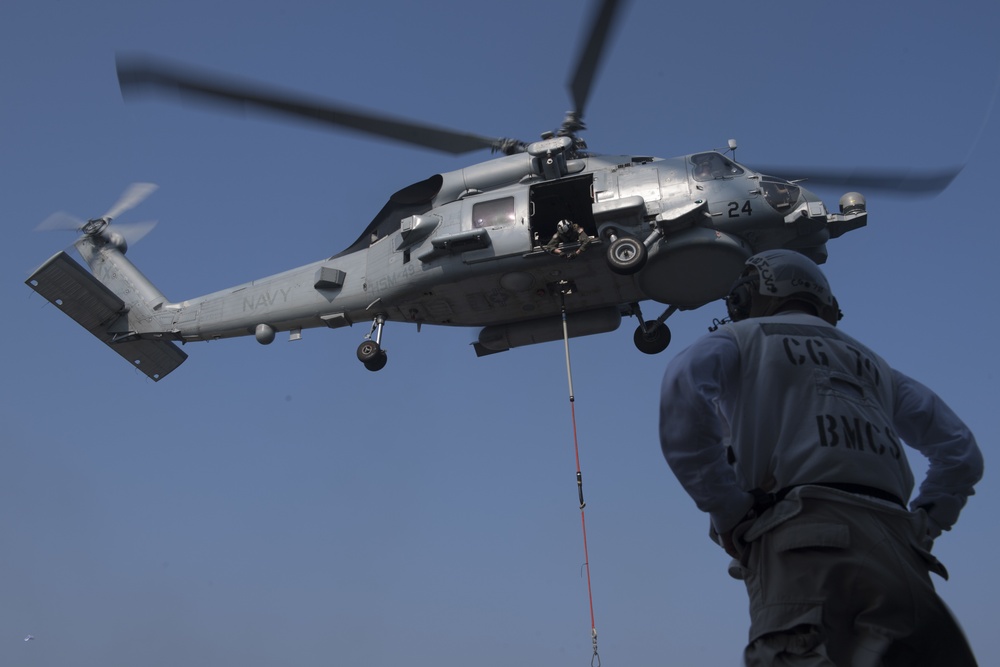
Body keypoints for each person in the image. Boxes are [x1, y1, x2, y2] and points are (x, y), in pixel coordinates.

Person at [658, 249, 983, 666]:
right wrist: (925, 525)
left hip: (801, 538)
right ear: (829, 306)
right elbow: (961, 453)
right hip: (899, 552)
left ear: (745, 296)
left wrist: (730, 510)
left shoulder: (739, 339)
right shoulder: (876, 366)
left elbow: (683, 393)